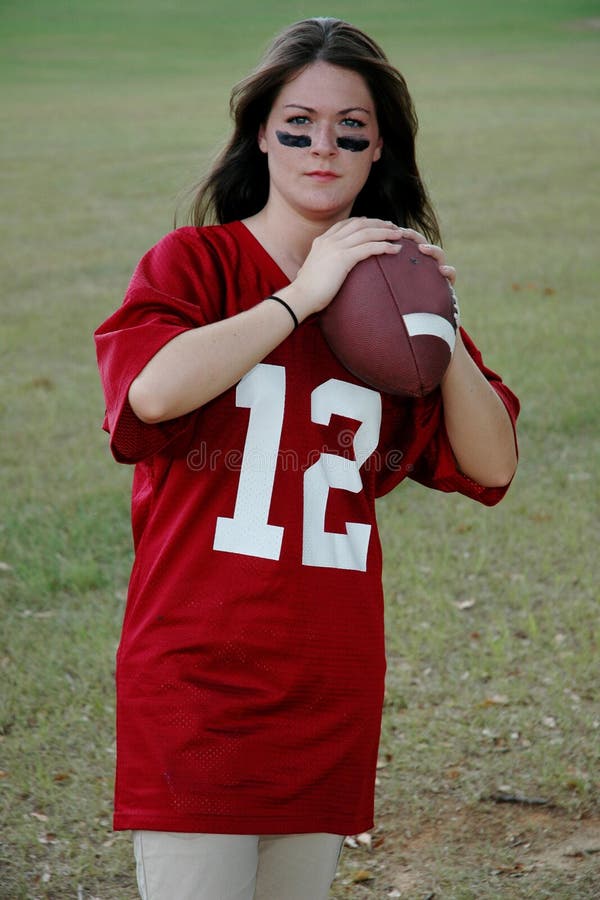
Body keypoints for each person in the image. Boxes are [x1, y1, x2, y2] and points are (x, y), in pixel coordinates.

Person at [94, 16, 519, 900]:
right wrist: (303, 294)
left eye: (350, 130)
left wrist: (438, 325)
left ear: (377, 155)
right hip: (198, 677)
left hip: (329, 678)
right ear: (262, 132)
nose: (323, 146)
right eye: (300, 123)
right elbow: (152, 395)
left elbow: (492, 465)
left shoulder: (390, 300)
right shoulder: (197, 262)